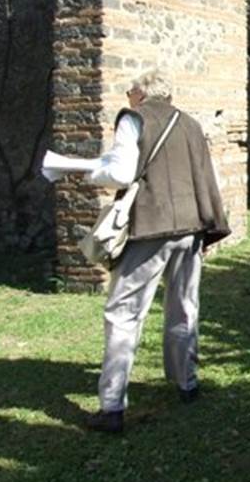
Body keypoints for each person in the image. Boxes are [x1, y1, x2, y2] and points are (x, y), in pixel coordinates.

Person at [83, 69, 230, 434]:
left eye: (130, 91)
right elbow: (206, 176)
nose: (128, 96)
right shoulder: (192, 124)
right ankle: (187, 383)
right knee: (184, 307)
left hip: (149, 227)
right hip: (191, 226)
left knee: (124, 315)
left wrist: (90, 171)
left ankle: (112, 407)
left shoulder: (134, 118)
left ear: (143, 93)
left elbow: (118, 174)